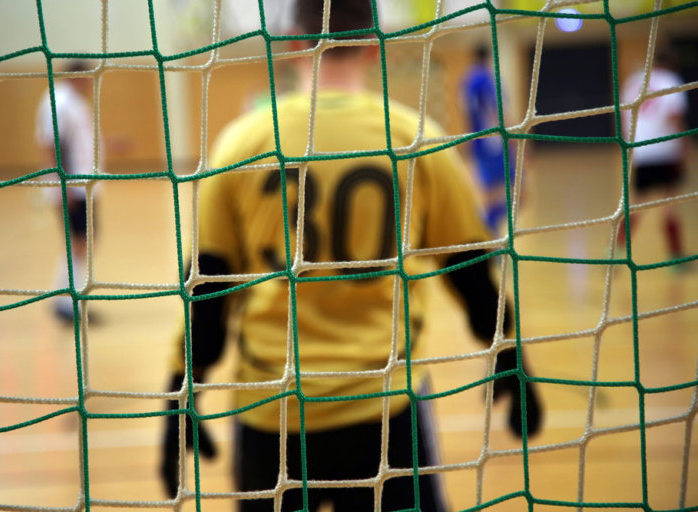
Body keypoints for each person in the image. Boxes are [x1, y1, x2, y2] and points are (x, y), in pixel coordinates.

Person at [161, 1, 542, 510]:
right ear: (372, 44)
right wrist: (511, 355)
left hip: (272, 412)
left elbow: (207, 292)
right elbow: (471, 272)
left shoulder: (241, 145)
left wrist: (179, 395)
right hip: (385, 412)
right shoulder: (415, 139)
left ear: (292, 41)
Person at [35, 60, 98, 323]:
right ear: (77, 76)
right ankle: (66, 302)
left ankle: (66, 296)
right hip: (72, 187)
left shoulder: (75, 101)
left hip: (81, 185)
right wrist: (66, 187)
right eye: (88, 77)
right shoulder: (58, 101)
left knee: (82, 242)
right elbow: (52, 143)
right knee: (78, 242)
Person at [617, 49, 690, 267]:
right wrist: (685, 148)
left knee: (636, 205)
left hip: (641, 151)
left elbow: (624, 118)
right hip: (666, 150)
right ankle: (676, 258)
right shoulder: (671, 80)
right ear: (671, 64)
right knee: (670, 205)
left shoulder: (633, 82)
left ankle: (616, 251)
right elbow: (675, 117)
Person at [462, 45, 517, 234]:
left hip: (478, 142)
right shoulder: (487, 80)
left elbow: (467, 113)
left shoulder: (467, 81)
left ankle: (490, 238)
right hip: (494, 143)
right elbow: (496, 111)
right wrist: (512, 136)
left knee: (494, 193)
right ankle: (487, 236)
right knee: (512, 191)